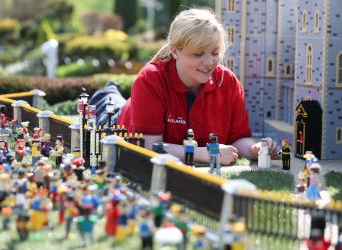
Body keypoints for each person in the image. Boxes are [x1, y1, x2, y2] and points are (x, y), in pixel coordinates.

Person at [90, 8, 278, 165]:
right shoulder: (150, 78)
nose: (209, 62)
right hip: (116, 121)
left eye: (215, 52)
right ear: (175, 52)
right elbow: (148, 147)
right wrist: (208, 153)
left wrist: (256, 149)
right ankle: (109, 90)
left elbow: (238, 139)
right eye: (198, 54)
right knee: (108, 102)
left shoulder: (228, 82)